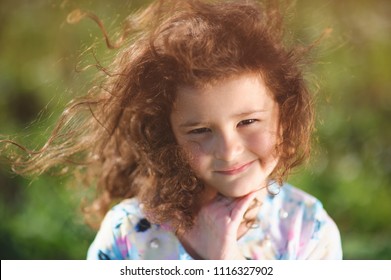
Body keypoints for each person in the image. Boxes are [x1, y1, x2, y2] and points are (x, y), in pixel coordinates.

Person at [2, 0, 342, 260]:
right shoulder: (127, 234)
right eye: (199, 130)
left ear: (285, 116)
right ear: (169, 138)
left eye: (248, 122)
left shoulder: (307, 229)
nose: (227, 149)